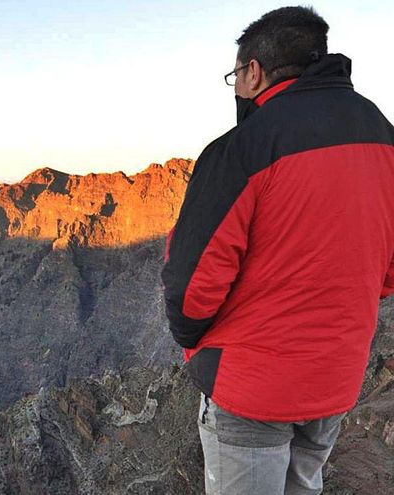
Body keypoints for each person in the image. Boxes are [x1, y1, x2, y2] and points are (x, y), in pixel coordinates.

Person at [161, 6, 394, 494]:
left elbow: (192, 281)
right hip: (336, 378)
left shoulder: (245, 146)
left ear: (254, 71)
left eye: (236, 77)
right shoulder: (380, 132)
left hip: (253, 388)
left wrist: (192, 341)